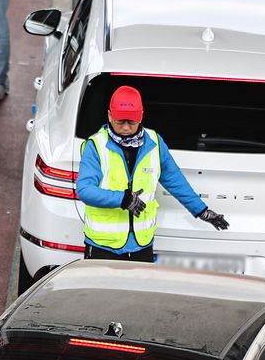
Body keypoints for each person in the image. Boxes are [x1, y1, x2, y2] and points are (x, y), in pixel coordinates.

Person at [76, 86, 229, 261]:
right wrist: (122, 199)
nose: (125, 127)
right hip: (103, 246)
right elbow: (85, 190)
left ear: (141, 116)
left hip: (142, 245)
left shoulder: (154, 142)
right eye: (120, 121)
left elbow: (175, 180)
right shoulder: (95, 146)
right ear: (110, 116)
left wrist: (201, 210)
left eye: (131, 122)